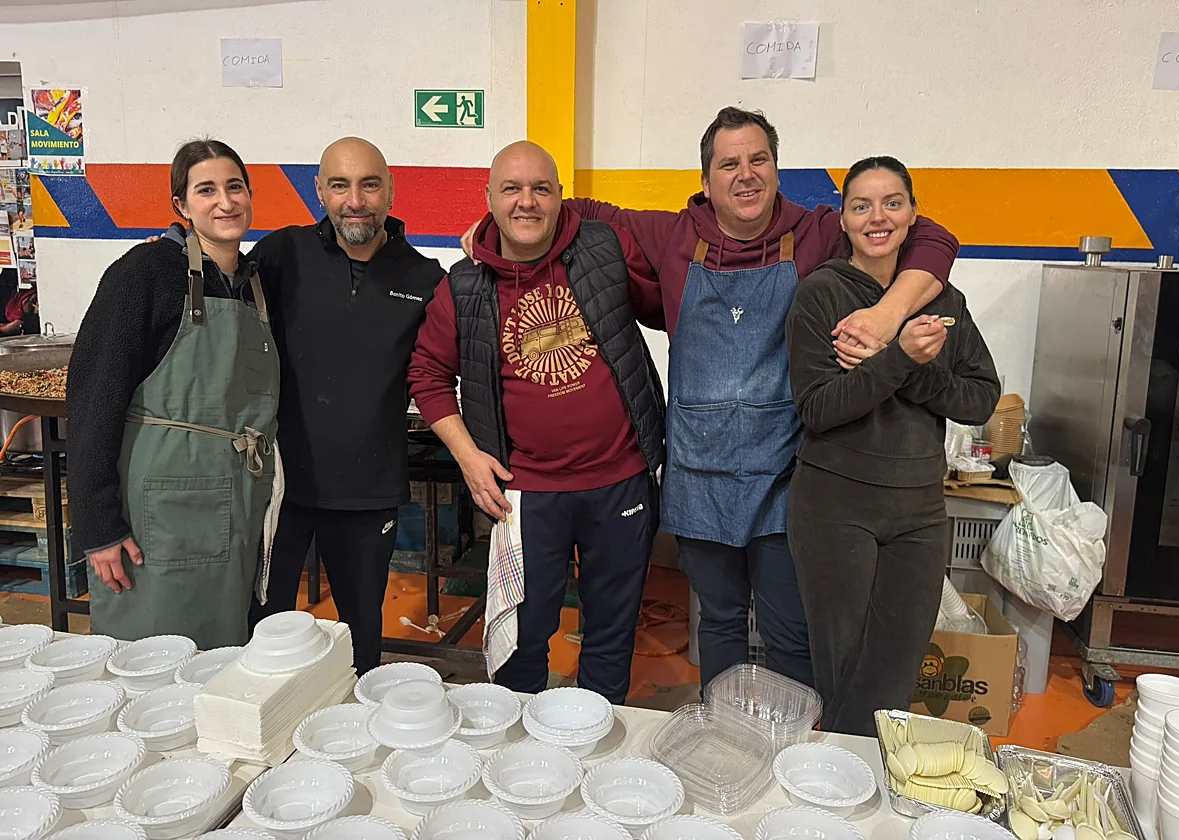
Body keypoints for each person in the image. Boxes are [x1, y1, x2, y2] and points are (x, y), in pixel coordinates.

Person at [464, 108, 961, 692]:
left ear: (777, 170)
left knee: (788, 630)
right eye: (729, 163)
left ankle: (790, 749)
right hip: (699, 478)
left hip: (784, 477)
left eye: (758, 160)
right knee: (719, 623)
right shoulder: (672, 236)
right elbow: (568, 212)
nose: (745, 175)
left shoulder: (817, 231)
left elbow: (933, 236)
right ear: (706, 180)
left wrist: (885, 316)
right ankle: (726, 736)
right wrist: (487, 231)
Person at [409, 141, 665, 705]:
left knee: (610, 637)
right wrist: (469, 457)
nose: (527, 202)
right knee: (522, 645)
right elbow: (426, 375)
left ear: (559, 197)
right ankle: (520, 763)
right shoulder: (466, 284)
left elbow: (671, 302)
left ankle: (599, 742)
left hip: (620, 482)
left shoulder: (604, 248)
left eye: (541, 188)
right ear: (489, 200)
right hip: (526, 496)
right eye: (512, 189)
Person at [786, 156, 1000, 736]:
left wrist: (908, 365)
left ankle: (867, 784)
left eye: (891, 203)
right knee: (846, 667)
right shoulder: (820, 295)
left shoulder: (944, 301)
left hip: (920, 512)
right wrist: (902, 358)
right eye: (861, 206)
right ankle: (847, 788)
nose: (877, 217)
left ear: (912, 217)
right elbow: (819, 409)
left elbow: (980, 399)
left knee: (899, 666)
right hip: (835, 507)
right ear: (845, 222)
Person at [67, 139, 279, 648]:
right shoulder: (143, 275)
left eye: (234, 187)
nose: (225, 202)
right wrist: (98, 525)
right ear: (182, 207)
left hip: (236, 503)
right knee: (152, 658)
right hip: (157, 513)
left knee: (222, 652)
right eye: (206, 190)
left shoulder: (253, 283)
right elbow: (93, 401)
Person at [247, 137, 445, 675]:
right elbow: (217, 296)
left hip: (368, 492)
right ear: (319, 190)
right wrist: (171, 254)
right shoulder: (279, 254)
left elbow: (454, 363)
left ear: (390, 189)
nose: (354, 199)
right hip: (278, 487)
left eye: (368, 184)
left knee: (363, 640)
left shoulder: (425, 279)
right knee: (263, 635)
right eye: (340, 185)